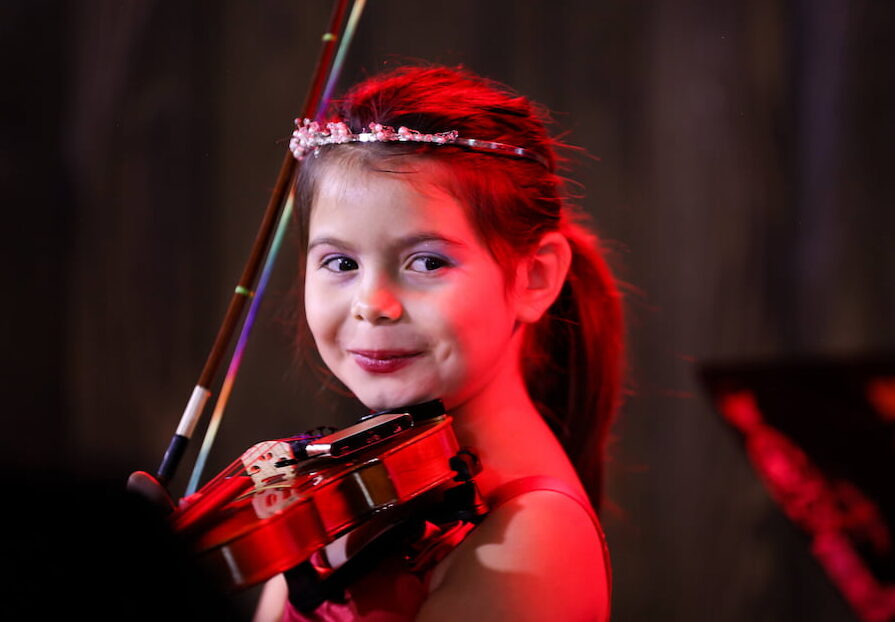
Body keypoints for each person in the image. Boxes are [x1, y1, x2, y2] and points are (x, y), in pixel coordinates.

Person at [254, 65, 624, 622]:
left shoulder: (530, 542)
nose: (372, 302)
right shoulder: (337, 489)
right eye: (341, 263)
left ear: (535, 277)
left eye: (427, 261)